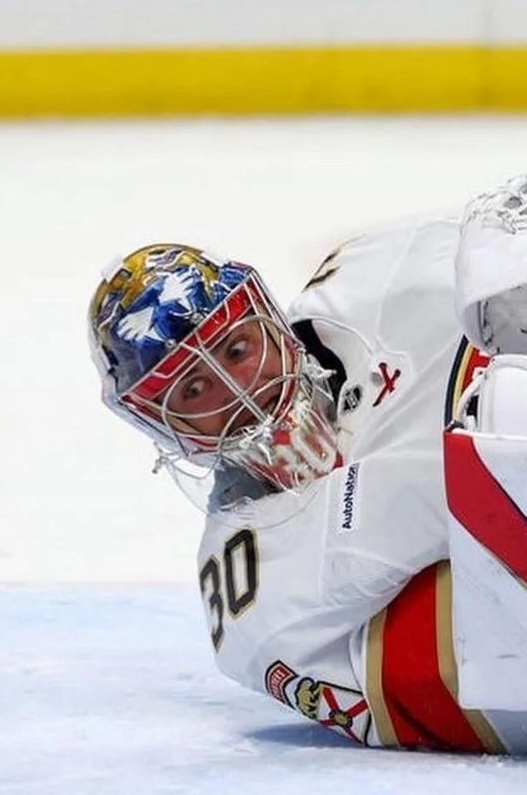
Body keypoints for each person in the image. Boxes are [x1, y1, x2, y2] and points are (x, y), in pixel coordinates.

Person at [88, 174, 527, 753]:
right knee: (506, 401)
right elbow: (487, 694)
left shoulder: (370, 280)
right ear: (165, 428)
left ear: (268, 316)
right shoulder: (250, 588)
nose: (237, 390)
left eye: (238, 349)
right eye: (192, 391)